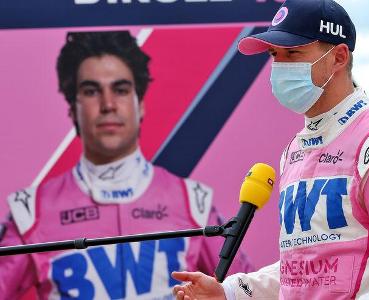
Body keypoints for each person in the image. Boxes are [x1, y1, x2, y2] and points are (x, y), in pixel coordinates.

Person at [171, 0, 369, 299]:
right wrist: (230, 291)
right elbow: (303, 269)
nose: (279, 66)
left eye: (292, 53)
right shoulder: (296, 149)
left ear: (339, 57)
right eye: (274, 55)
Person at [0, 31, 252, 300]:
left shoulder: (193, 202)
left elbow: (248, 291)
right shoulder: (32, 211)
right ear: (73, 108)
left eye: (120, 90)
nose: (108, 105)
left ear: (140, 104)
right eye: (91, 91)